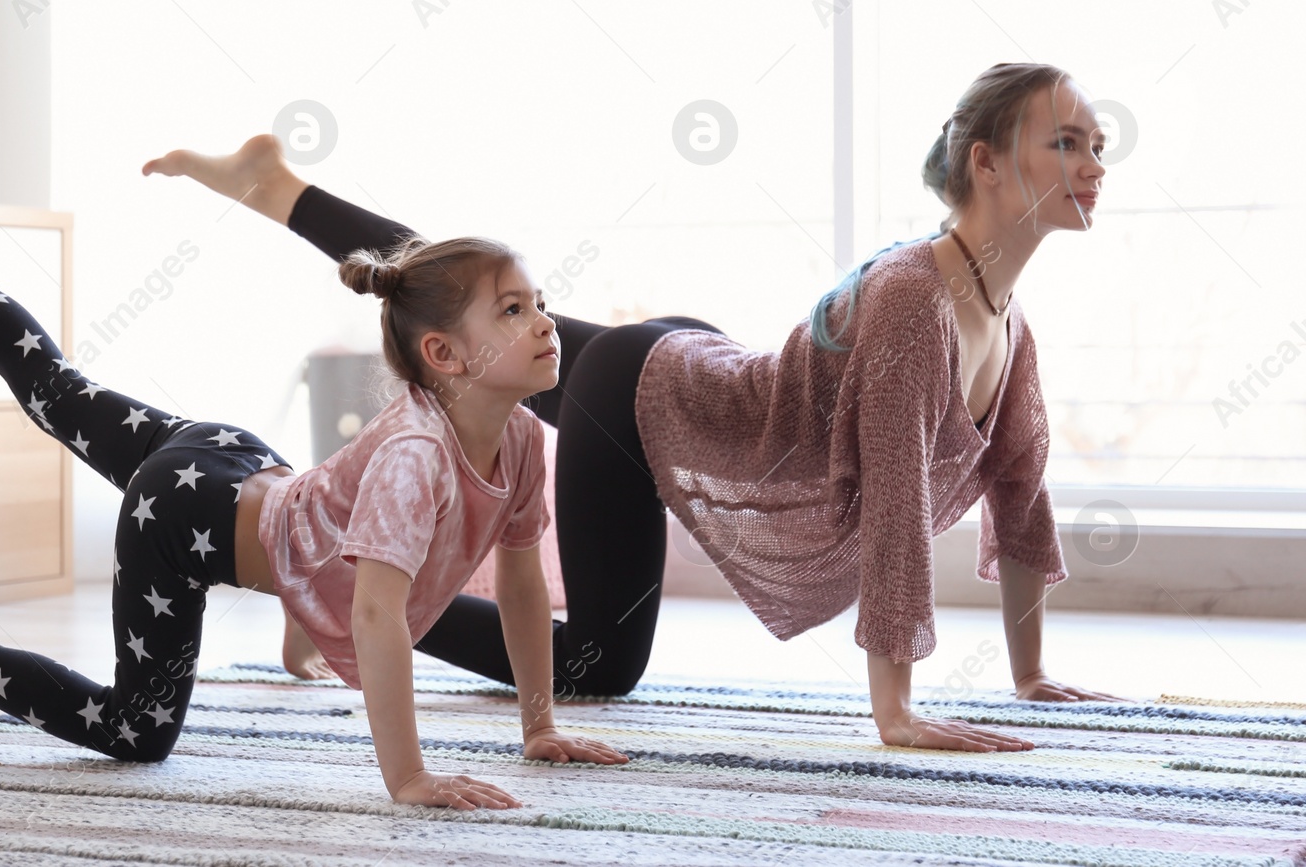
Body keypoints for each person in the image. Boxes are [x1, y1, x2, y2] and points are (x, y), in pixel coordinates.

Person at [143, 61, 1127, 754]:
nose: (1092, 161)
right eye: (1065, 141)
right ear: (987, 162)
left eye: (1098, 143)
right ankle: (335, 594)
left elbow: (1019, 490)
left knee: (448, 287)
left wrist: (1028, 672)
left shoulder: (1003, 319)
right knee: (596, 666)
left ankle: (277, 186)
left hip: (678, 364)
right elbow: (895, 511)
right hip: (653, 396)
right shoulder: (918, 300)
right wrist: (896, 711)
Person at [0, 199, 627, 809]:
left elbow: (520, 584)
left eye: (541, 303)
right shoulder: (417, 458)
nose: (547, 323)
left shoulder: (518, 438)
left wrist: (539, 724)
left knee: (60, 392)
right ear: (444, 353)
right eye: (514, 311)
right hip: (183, 516)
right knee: (136, 731)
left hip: (236, 462)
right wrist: (408, 777)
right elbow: (378, 620)